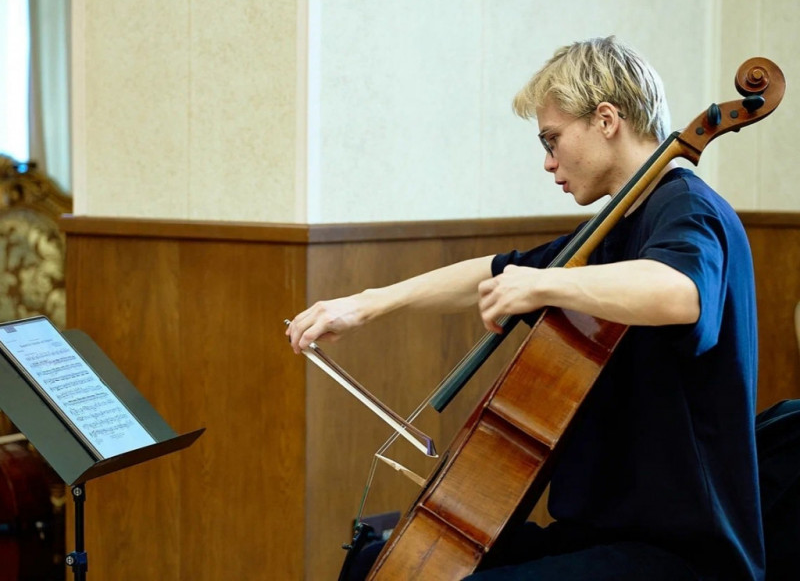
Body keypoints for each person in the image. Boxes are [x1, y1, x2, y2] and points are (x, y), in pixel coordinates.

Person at [286, 36, 764, 581]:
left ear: (606, 120)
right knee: (376, 562)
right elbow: (493, 272)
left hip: (683, 556)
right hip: (602, 537)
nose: (548, 161)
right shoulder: (614, 227)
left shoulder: (686, 208)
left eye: (552, 139)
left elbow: (680, 292)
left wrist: (546, 285)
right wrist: (365, 304)